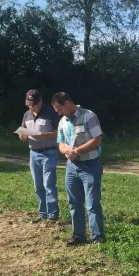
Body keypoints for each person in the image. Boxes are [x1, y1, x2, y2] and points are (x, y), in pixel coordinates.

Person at [51, 92, 105, 246]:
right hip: (71, 167)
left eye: (59, 109)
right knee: (74, 202)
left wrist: (77, 151)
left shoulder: (88, 116)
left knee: (92, 203)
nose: (59, 113)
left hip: (90, 166)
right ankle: (79, 236)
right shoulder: (62, 121)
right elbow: (60, 143)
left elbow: (97, 139)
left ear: (67, 104)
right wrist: (66, 151)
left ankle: (98, 237)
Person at [19, 89, 60, 222]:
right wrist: (22, 135)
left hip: (49, 152)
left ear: (41, 101)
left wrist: (44, 136)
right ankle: (43, 213)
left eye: (34, 104)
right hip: (33, 154)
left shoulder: (51, 113)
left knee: (49, 184)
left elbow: (59, 132)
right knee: (38, 185)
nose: (31, 107)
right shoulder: (27, 114)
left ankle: (53, 214)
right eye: (29, 104)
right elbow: (22, 133)